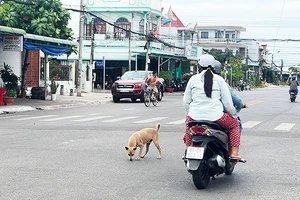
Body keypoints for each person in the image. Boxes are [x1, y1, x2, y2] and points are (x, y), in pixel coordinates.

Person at [183, 54, 243, 160]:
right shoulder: (219, 80)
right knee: (235, 125)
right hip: (216, 116)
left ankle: (188, 149)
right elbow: (227, 103)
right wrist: (233, 114)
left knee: (189, 129)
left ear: (199, 66)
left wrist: (189, 114)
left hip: (194, 116)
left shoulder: (193, 79)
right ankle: (233, 152)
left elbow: (186, 101)